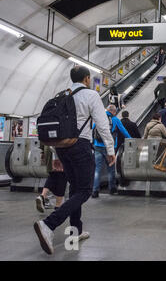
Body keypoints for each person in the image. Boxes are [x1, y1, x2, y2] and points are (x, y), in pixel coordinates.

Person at [33, 65, 116, 255]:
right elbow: (103, 126)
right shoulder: (91, 95)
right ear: (87, 79)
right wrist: (110, 149)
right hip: (81, 146)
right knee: (85, 191)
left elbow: (55, 127)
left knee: (75, 189)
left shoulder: (63, 94)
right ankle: (48, 224)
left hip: (63, 148)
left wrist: (55, 153)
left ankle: (75, 230)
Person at [92, 105, 132, 198]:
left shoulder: (99, 117)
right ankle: (112, 189)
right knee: (110, 169)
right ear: (113, 111)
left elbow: (93, 129)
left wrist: (93, 142)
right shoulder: (115, 119)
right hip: (109, 147)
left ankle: (95, 191)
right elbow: (123, 131)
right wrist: (130, 139)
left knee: (97, 169)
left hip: (97, 146)